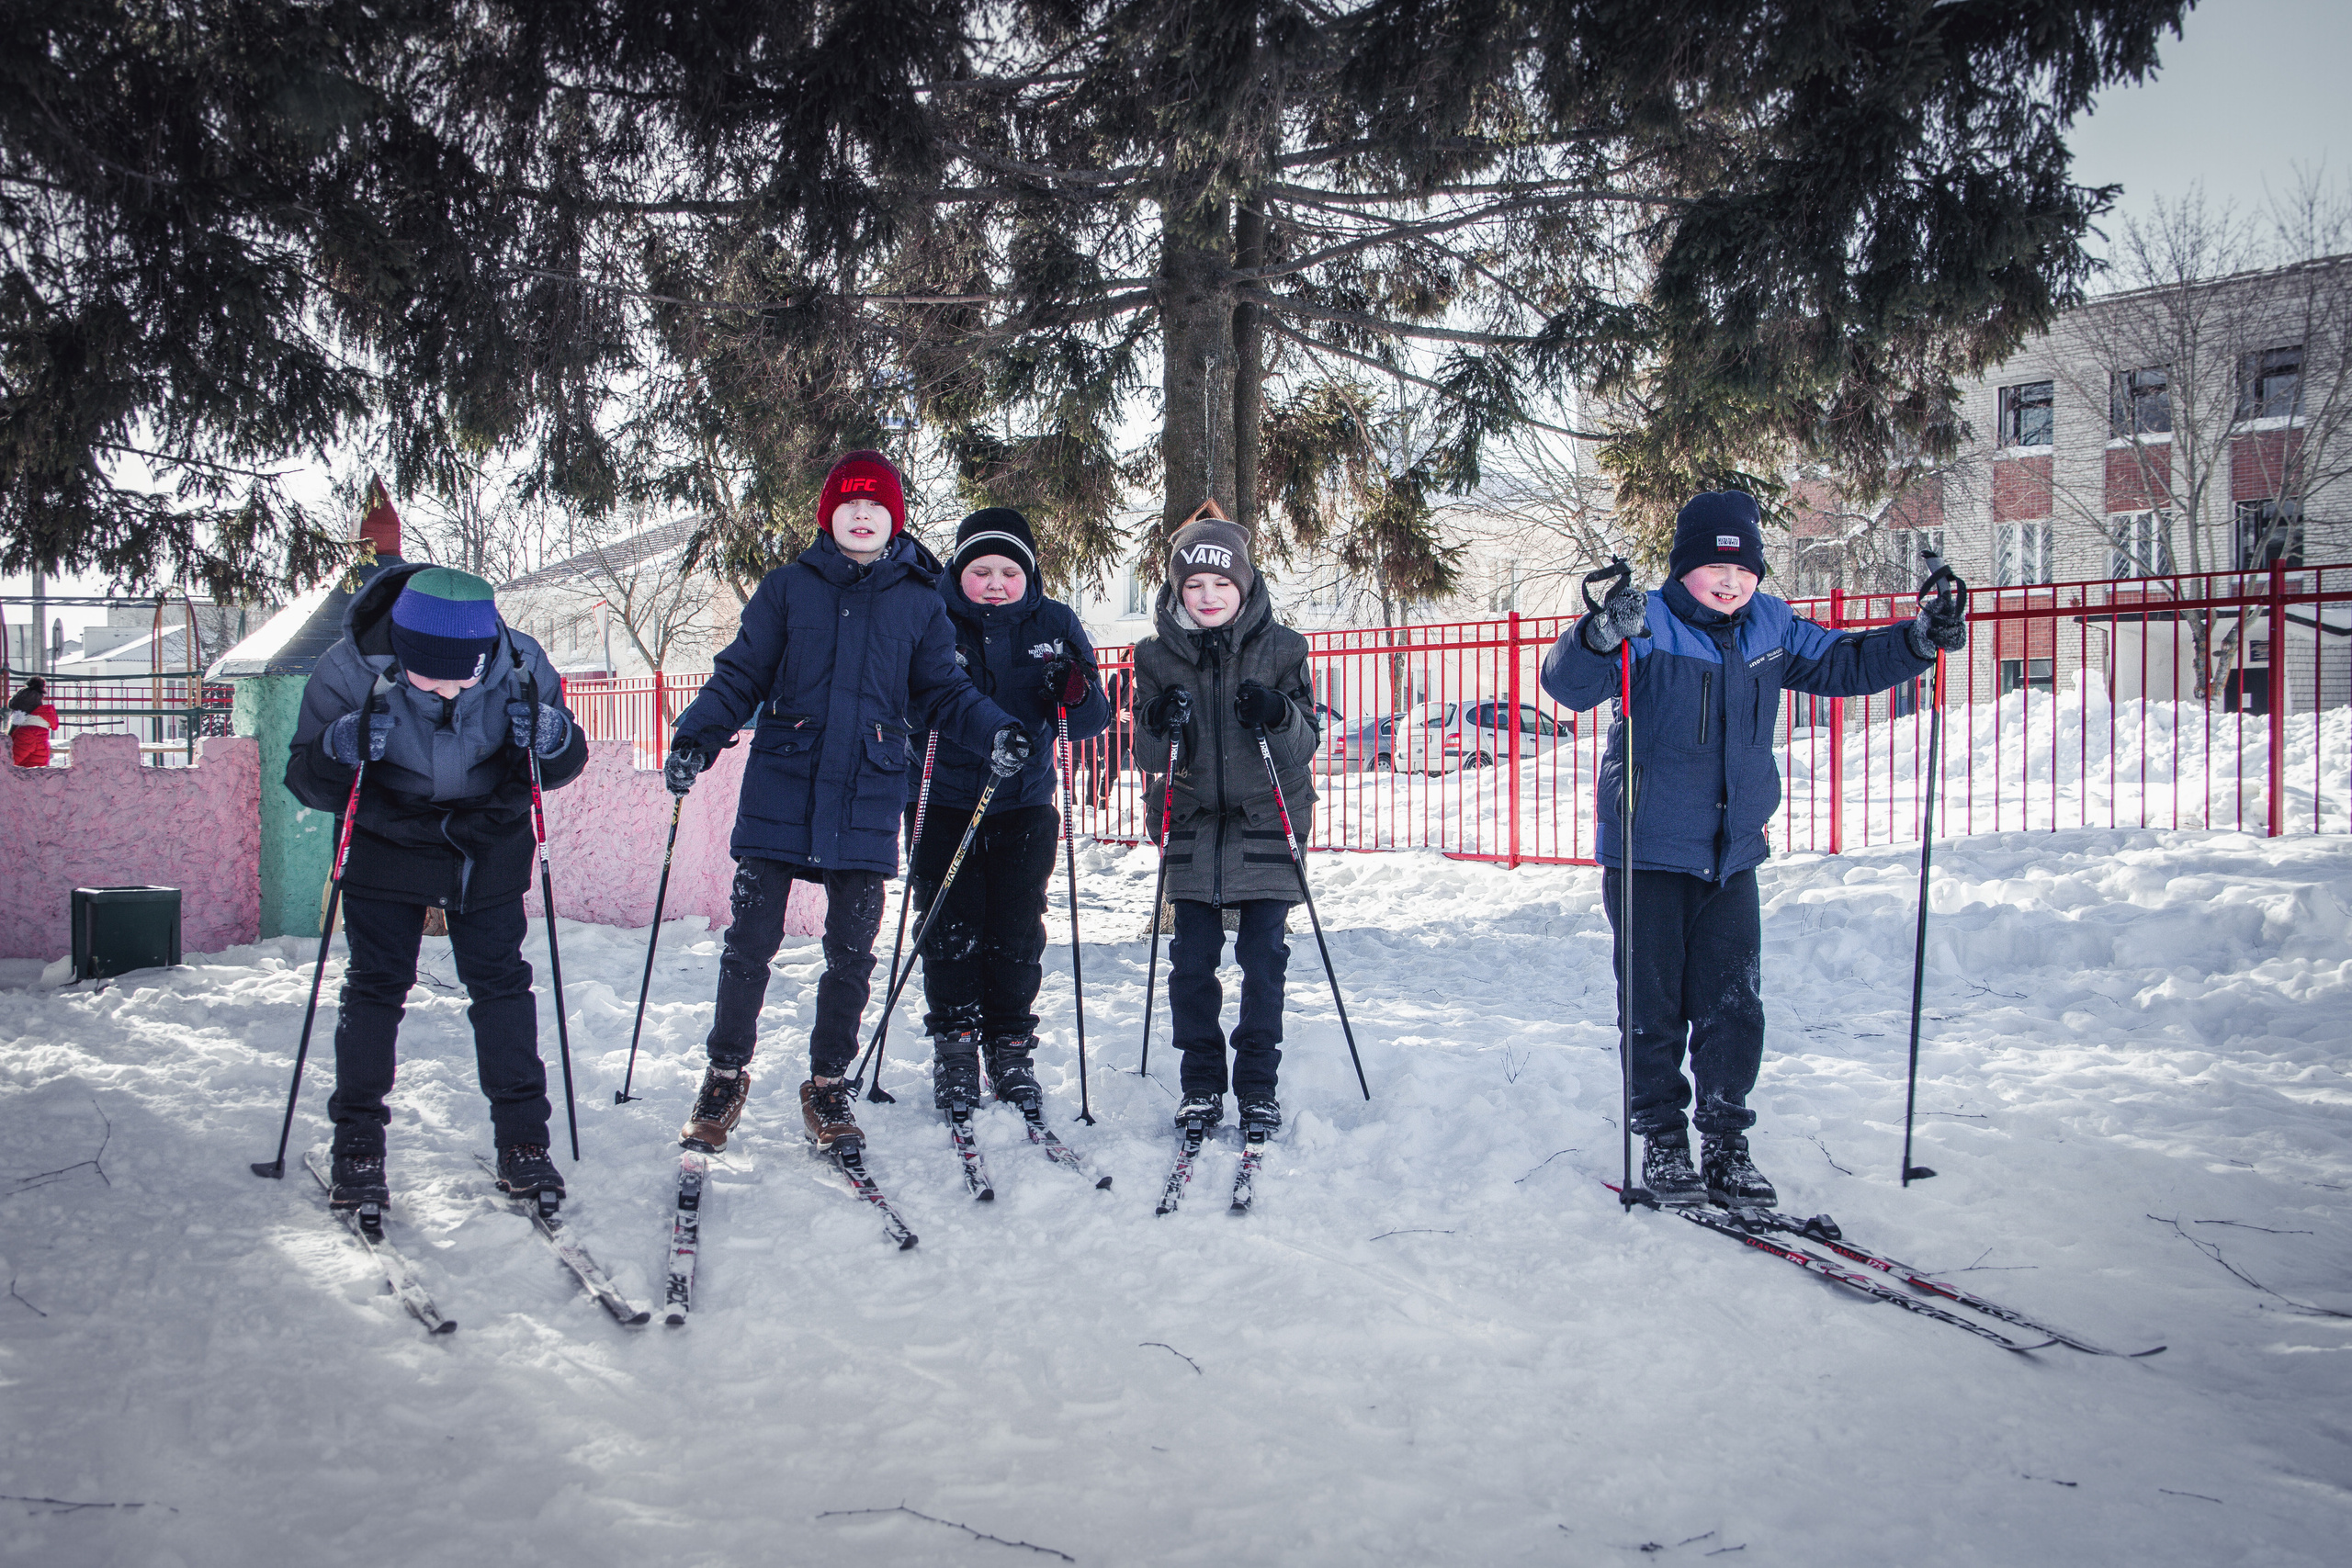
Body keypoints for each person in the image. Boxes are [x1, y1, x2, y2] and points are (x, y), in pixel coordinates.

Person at [1540, 491, 1968, 1208]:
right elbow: (1567, 685)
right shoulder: (1645, 622)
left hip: (1732, 851)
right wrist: (1598, 635)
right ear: (1684, 568)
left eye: (1744, 570)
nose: (1731, 582)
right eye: (1714, 567)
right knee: (1653, 1004)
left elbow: (1844, 662)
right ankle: (1664, 1138)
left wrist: (1919, 638)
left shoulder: (1771, 624)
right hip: (1648, 851)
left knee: (1734, 1003)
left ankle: (1727, 1138)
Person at [665, 451, 1030, 1156]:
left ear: (893, 518)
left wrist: (998, 731)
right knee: (748, 944)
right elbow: (739, 675)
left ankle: (829, 1082)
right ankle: (724, 1071)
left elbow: (944, 696)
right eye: (848, 503)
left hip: (866, 794)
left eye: (876, 505)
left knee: (851, 953)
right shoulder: (786, 590)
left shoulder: (919, 601)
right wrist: (696, 738)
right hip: (781, 789)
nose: (862, 514)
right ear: (828, 514)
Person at [284, 565, 588, 1212]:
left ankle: (524, 1142)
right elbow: (305, 777)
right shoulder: (347, 670)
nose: (449, 689)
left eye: (464, 674)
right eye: (429, 674)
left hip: (487, 839)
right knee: (375, 986)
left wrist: (553, 737)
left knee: (502, 984)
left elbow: (562, 761)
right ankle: (357, 1142)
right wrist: (340, 746)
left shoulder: (522, 664)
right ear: (400, 647)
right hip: (385, 835)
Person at [907, 507, 1111, 1113]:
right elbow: (905, 706)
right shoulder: (929, 618)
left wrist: (1071, 690)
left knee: (1017, 930)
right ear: (958, 571)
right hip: (943, 800)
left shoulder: (1055, 621)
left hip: (1023, 803)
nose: (996, 582)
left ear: (1028, 575)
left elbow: (1094, 717)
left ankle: (1010, 1047)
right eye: (981, 570)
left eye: (1009, 571)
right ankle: (956, 1047)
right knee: (948, 926)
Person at [1129, 512, 1321, 1137]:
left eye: (1221, 584)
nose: (1208, 596)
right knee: (1191, 963)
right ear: (1178, 591)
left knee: (1263, 959)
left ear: (1243, 584)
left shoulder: (1285, 648)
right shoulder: (1155, 656)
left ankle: (1258, 1086)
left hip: (1268, 816)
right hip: (1191, 824)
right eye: (1193, 586)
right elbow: (1147, 754)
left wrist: (1276, 712)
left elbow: (1304, 742)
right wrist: (1161, 719)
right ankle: (1201, 1084)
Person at [8, 677, 59, 767]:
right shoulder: (35, 728)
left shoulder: (28, 733)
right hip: (32, 775)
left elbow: (10, 761)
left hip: (25, 777)